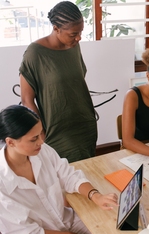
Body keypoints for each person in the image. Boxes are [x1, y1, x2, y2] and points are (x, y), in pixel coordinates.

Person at [0, 105, 118, 234]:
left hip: (63, 220)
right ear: (10, 142)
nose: (41, 141)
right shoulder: (2, 183)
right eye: (34, 139)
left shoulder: (41, 150)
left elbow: (68, 175)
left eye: (41, 133)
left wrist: (95, 196)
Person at [19, 1, 97, 163]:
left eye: (80, 32)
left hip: (85, 124)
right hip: (57, 130)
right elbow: (27, 99)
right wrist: (40, 133)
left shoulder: (74, 46)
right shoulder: (35, 53)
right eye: (73, 34)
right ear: (56, 28)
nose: (78, 38)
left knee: (88, 172)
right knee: (64, 177)